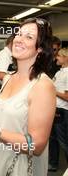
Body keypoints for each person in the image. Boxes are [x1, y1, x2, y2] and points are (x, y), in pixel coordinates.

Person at [0, 18, 56, 176]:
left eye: (29, 37)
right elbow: (8, 117)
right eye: (19, 34)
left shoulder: (42, 85)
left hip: (17, 167)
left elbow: (35, 145)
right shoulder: (8, 78)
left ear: (41, 48)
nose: (19, 39)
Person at [48, 36, 62, 172]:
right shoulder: (47, 61)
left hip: (59, 106)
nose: (53, 52)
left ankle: (54, 162)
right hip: (47, 101)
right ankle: (50, 160)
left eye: (55, 49)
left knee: (56, 136)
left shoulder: (61, 65)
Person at [53, 48, 68, 166]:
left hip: (63, 111)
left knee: (64, 142)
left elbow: (67, 97)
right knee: (54, 140)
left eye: (58, 55)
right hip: (55, 110)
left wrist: (53, 91)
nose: (56, 58)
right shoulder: (58, 73)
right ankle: (53, 164)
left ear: (65, 58)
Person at [0, 35, 15, 100]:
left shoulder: (8, 55)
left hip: (1, 89)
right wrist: (18, 79)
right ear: (12, 43)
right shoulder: (5, 55)